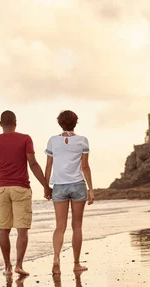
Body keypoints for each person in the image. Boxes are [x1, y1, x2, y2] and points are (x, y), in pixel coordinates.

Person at [0, 110, 51, 276]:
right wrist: (46, 186)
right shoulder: (25, 139)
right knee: (22, 230)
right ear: (15, 122)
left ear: (0, 124)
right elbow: (33, 164)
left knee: (3, 230)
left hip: (1, 190)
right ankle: (18, 265)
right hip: (21, 189)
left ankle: (7, 267)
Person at [44, 110, 94, 275]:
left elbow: (48, 166)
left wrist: (46, 187)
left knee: (60, 226)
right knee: (77, 226)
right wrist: (91, 189)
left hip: (59, 186)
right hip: (78, 185)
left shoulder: (53, 141)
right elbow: (85, 166)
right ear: (75, 122)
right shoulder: (82, 141)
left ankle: (56, 259)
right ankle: (76, 264)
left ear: (59, 123)